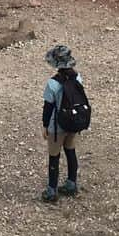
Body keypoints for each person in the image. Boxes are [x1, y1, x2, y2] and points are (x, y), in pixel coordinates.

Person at [41, 45, 84, 202]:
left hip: (57, 125)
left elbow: (48, 107)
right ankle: (71, 183)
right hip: (73, 122)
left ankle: (52, 190)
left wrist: (45, 125)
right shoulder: (78, 78)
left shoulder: (53, 83)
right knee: (70, 152)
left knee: (54, 156)